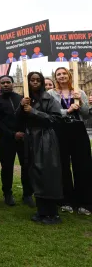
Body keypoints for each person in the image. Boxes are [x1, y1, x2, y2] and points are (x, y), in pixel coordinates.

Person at [17, 72, 63, 224]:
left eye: (38, 80)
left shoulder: (49, 98)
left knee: (47, 174)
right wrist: (21, 106)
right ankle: (42, 211)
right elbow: (18, 119)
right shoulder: (27, 99)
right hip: (31, 139)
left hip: (45, 138)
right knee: (34, 173)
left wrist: (34, 111)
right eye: (32, 80)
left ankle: (52, 213)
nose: (35, 82)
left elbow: (55, 119)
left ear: (42, 82)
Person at [48, 67, 92, 215]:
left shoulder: (80, 92)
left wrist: (80, 101)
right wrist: (67, 110)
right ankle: (66, 200)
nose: (61, 76)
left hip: (78, 130)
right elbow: (50, 113)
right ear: (56, 77)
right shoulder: (51, 94)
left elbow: (86, 114)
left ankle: (84, 202)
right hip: (60, 131)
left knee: (83, 165)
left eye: (64, 73)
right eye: (58, 74)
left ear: (69, 75)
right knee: (63, 166)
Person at [0, 75, 34, 207]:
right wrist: (12, 134)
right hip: (7, 139)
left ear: (13, 84)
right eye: (3, 83)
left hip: (23, 138)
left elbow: (26, 117)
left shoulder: (21, 98)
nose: (5, 85)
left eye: (8, 82)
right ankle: (7, 193)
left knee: (26, 167)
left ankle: (27, 194)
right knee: (7, 168)